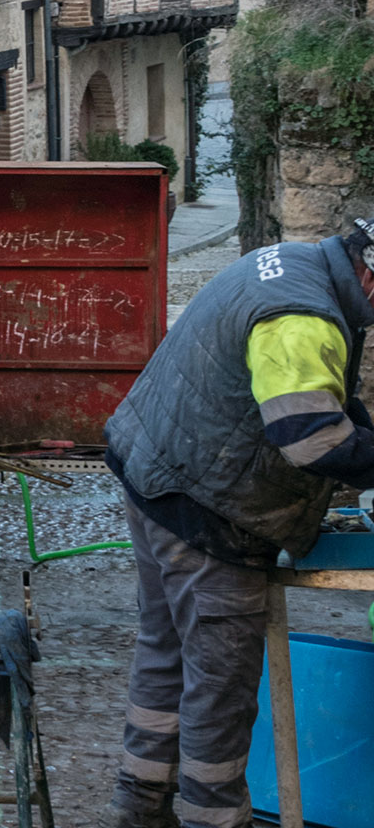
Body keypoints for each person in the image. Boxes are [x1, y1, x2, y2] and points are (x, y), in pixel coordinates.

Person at [104, 220, 374, 828]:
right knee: (220, 684)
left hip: (154, 475)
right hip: (207, 510)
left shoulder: (291, 263)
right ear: (371, 271)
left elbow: (322, 398)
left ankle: (138, 807)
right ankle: (214, 818)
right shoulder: (302, 317)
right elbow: (309, 442)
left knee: (165, 650)